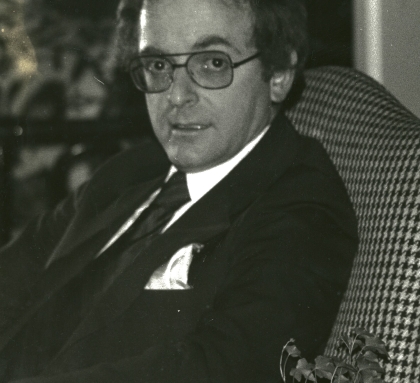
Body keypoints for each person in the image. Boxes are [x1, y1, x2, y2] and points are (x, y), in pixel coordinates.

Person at [0, 0, 358, 381]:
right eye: (158, 65)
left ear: (280, 73)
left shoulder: (301, 214)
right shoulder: (131, 171)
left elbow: (220, 370)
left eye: (213, 63)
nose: (176, 95)